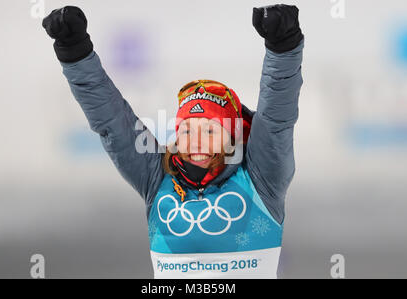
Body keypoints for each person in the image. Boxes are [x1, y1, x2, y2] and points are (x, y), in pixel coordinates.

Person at [42, 3, 304, 278]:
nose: (196, 142)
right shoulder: (157, 178)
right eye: (187, 131)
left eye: (211, 131)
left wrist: (283, 47)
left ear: (233, 138)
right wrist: (75, 51)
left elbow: (277, 119)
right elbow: (112, 122)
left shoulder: (261, 179)